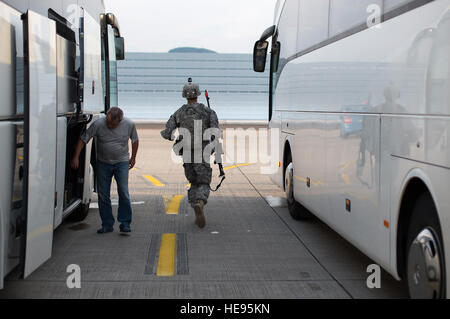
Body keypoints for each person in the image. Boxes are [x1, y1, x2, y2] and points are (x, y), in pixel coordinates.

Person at [161, 78, 220, 228]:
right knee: (204, 182)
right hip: (203, 152)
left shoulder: (179, 112)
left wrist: (170, 136)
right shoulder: (208, 111)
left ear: (185, 95)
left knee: (193, 181)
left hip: (186, 152)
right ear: (198, 95)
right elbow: (215, 132)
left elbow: (167, 131)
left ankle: (195, 204)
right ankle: (200, 201)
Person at [70, 107, 139, 234]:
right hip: (103, 164)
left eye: (112, 124)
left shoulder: (128, 124)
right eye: (107, 122)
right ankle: (107, 224)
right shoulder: (98, 124)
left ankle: (125, 223)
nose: (109, 125)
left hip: (121, 163)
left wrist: (133, 158)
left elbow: (135, 140)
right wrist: (76, 157)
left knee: (123, 192)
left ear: (120, 120)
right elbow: (83, 139)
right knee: (103, 195)